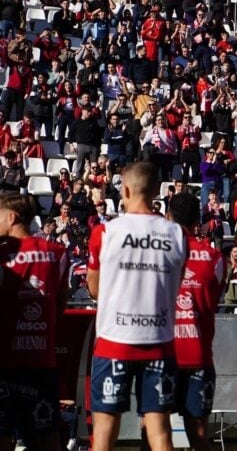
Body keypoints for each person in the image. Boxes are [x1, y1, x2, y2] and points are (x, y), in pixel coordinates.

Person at [86, 161, 188, 451]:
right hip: (159, 342)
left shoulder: (105, 233)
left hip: (113, 342)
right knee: (160, 434)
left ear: (126, 190)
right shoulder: (177, 235)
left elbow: (94, 289)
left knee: (104, 435)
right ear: (158, 191)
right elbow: (176, 286)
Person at [153, 193, 224, 451]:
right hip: (199, 356)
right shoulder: (215, 258)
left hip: (162, 354)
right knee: (198, 436)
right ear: (198, 220)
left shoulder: (157, 253)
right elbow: (214, 298)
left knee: (153, 433)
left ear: (168, 217)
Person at [0, 193, 67, 451]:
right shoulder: (57, 253)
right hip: (41, 360)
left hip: (5, 360)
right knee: (45, 437)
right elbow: (60, 304)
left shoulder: (3, 255)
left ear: (11, 217)